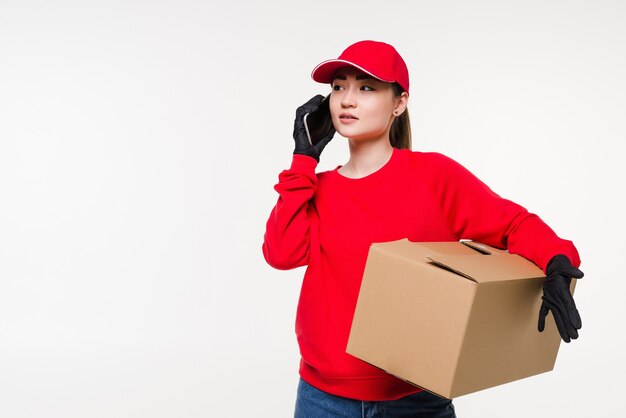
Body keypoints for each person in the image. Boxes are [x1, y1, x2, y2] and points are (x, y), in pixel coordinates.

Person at [262, 40, 583, 418]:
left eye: (366, 87)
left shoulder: (433, 176)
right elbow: (280, 255)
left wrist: (558, 261)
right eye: (339, 87)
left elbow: (514, 224)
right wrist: (303, 158)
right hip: (323, 399)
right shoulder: (317, 188)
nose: (347, 99)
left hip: (416, 401)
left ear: (399, 102)